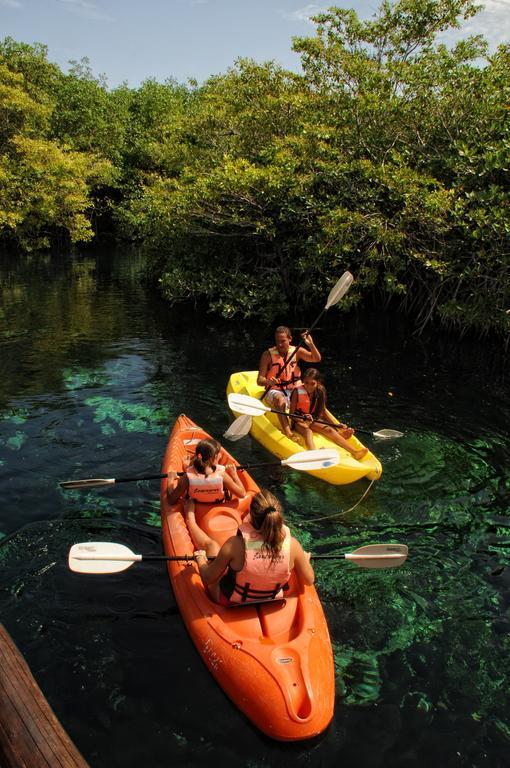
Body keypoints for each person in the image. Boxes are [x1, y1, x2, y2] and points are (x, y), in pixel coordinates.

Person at [191, 489, 315, 605]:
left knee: (212, 547)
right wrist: (305, 560)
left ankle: (189, 518)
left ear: (251, 515)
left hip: (231, 600)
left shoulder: (235, 544)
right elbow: (309, 580)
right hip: (271, 599)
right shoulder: (293, 546)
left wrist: (200, 559)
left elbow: (208, 578)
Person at [166, 438, 246, 538]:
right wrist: (234, 475)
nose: (220, 456)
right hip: (219, 506)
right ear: (214, 457)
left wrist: (170, 480)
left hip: (195, 509)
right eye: (219, 454)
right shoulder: (222, 475)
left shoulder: (187, 477)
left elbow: (171, 500)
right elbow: (242, 494)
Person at [257, 325, 321, 441]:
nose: (280, 344)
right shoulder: (267, 355)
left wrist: (310, 344)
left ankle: (331, 428)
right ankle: (288, 432)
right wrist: (268, 381)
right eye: (277, 341)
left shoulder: (297, 351)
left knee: (317, 393)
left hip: (294, 388)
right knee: (279, 400)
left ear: (290, 339)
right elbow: (259, 380)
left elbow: (316, 359)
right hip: (275, 390)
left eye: (283, 341)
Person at [289, 368, 368, 461]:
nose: (308, 386)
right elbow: (291, 414)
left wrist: (336, 425)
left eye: (312, 383)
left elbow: (323, 410)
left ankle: (355, 452)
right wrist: (302, 419)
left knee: (329, 430)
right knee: (308, 432)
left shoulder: (320, 391)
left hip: (312, 420)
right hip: (298, 421)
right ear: (303, 381)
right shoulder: (296, 392)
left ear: (318, 382)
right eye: (306, 383)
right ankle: (313, 454)